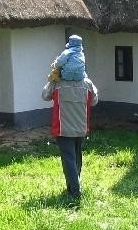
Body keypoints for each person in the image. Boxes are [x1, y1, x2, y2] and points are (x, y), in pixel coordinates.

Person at [41, 72, 98, 202]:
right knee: (77, 157)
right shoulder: (87, 83)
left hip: (63, 128)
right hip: (81, 126)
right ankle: (74, 184)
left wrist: (51, 79)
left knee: (69, 159)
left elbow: (45, 95)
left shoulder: (57, 83)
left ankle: (74, 191)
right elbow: (94, 101)